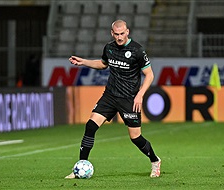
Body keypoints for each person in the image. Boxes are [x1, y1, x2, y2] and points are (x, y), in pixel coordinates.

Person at [65, 20, 161, 179]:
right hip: (110, 96)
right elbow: (103, 64)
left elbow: (150, 75)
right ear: (112, 33)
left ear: (127, 32)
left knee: (135, 137)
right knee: (90, 126)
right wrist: (84, 62)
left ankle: (155, 161)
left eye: (122, 33)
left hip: (129, 98)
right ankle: (81, 165)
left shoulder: (137, 50)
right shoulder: (109, 48)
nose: (119, 37)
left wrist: (140, 94)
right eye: (116, 34)